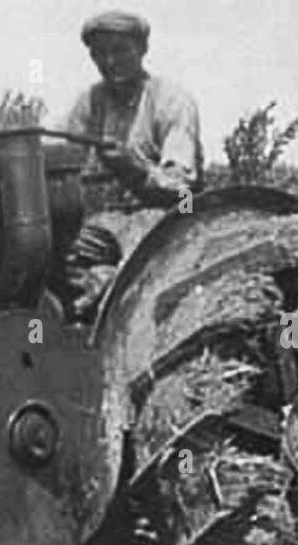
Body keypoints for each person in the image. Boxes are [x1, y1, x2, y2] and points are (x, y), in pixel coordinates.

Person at [57, 10, 205, 321]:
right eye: (100, 54)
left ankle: (118, 316)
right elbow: (61, 155)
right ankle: (87, 303)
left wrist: (134, 169)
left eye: (120, 51)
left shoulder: (171, 100)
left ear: (142, 50)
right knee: (52, 253)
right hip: (106, 220)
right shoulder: (90, 102)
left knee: (139, 274)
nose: (110, 62)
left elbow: (183, 189)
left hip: (166, 215)